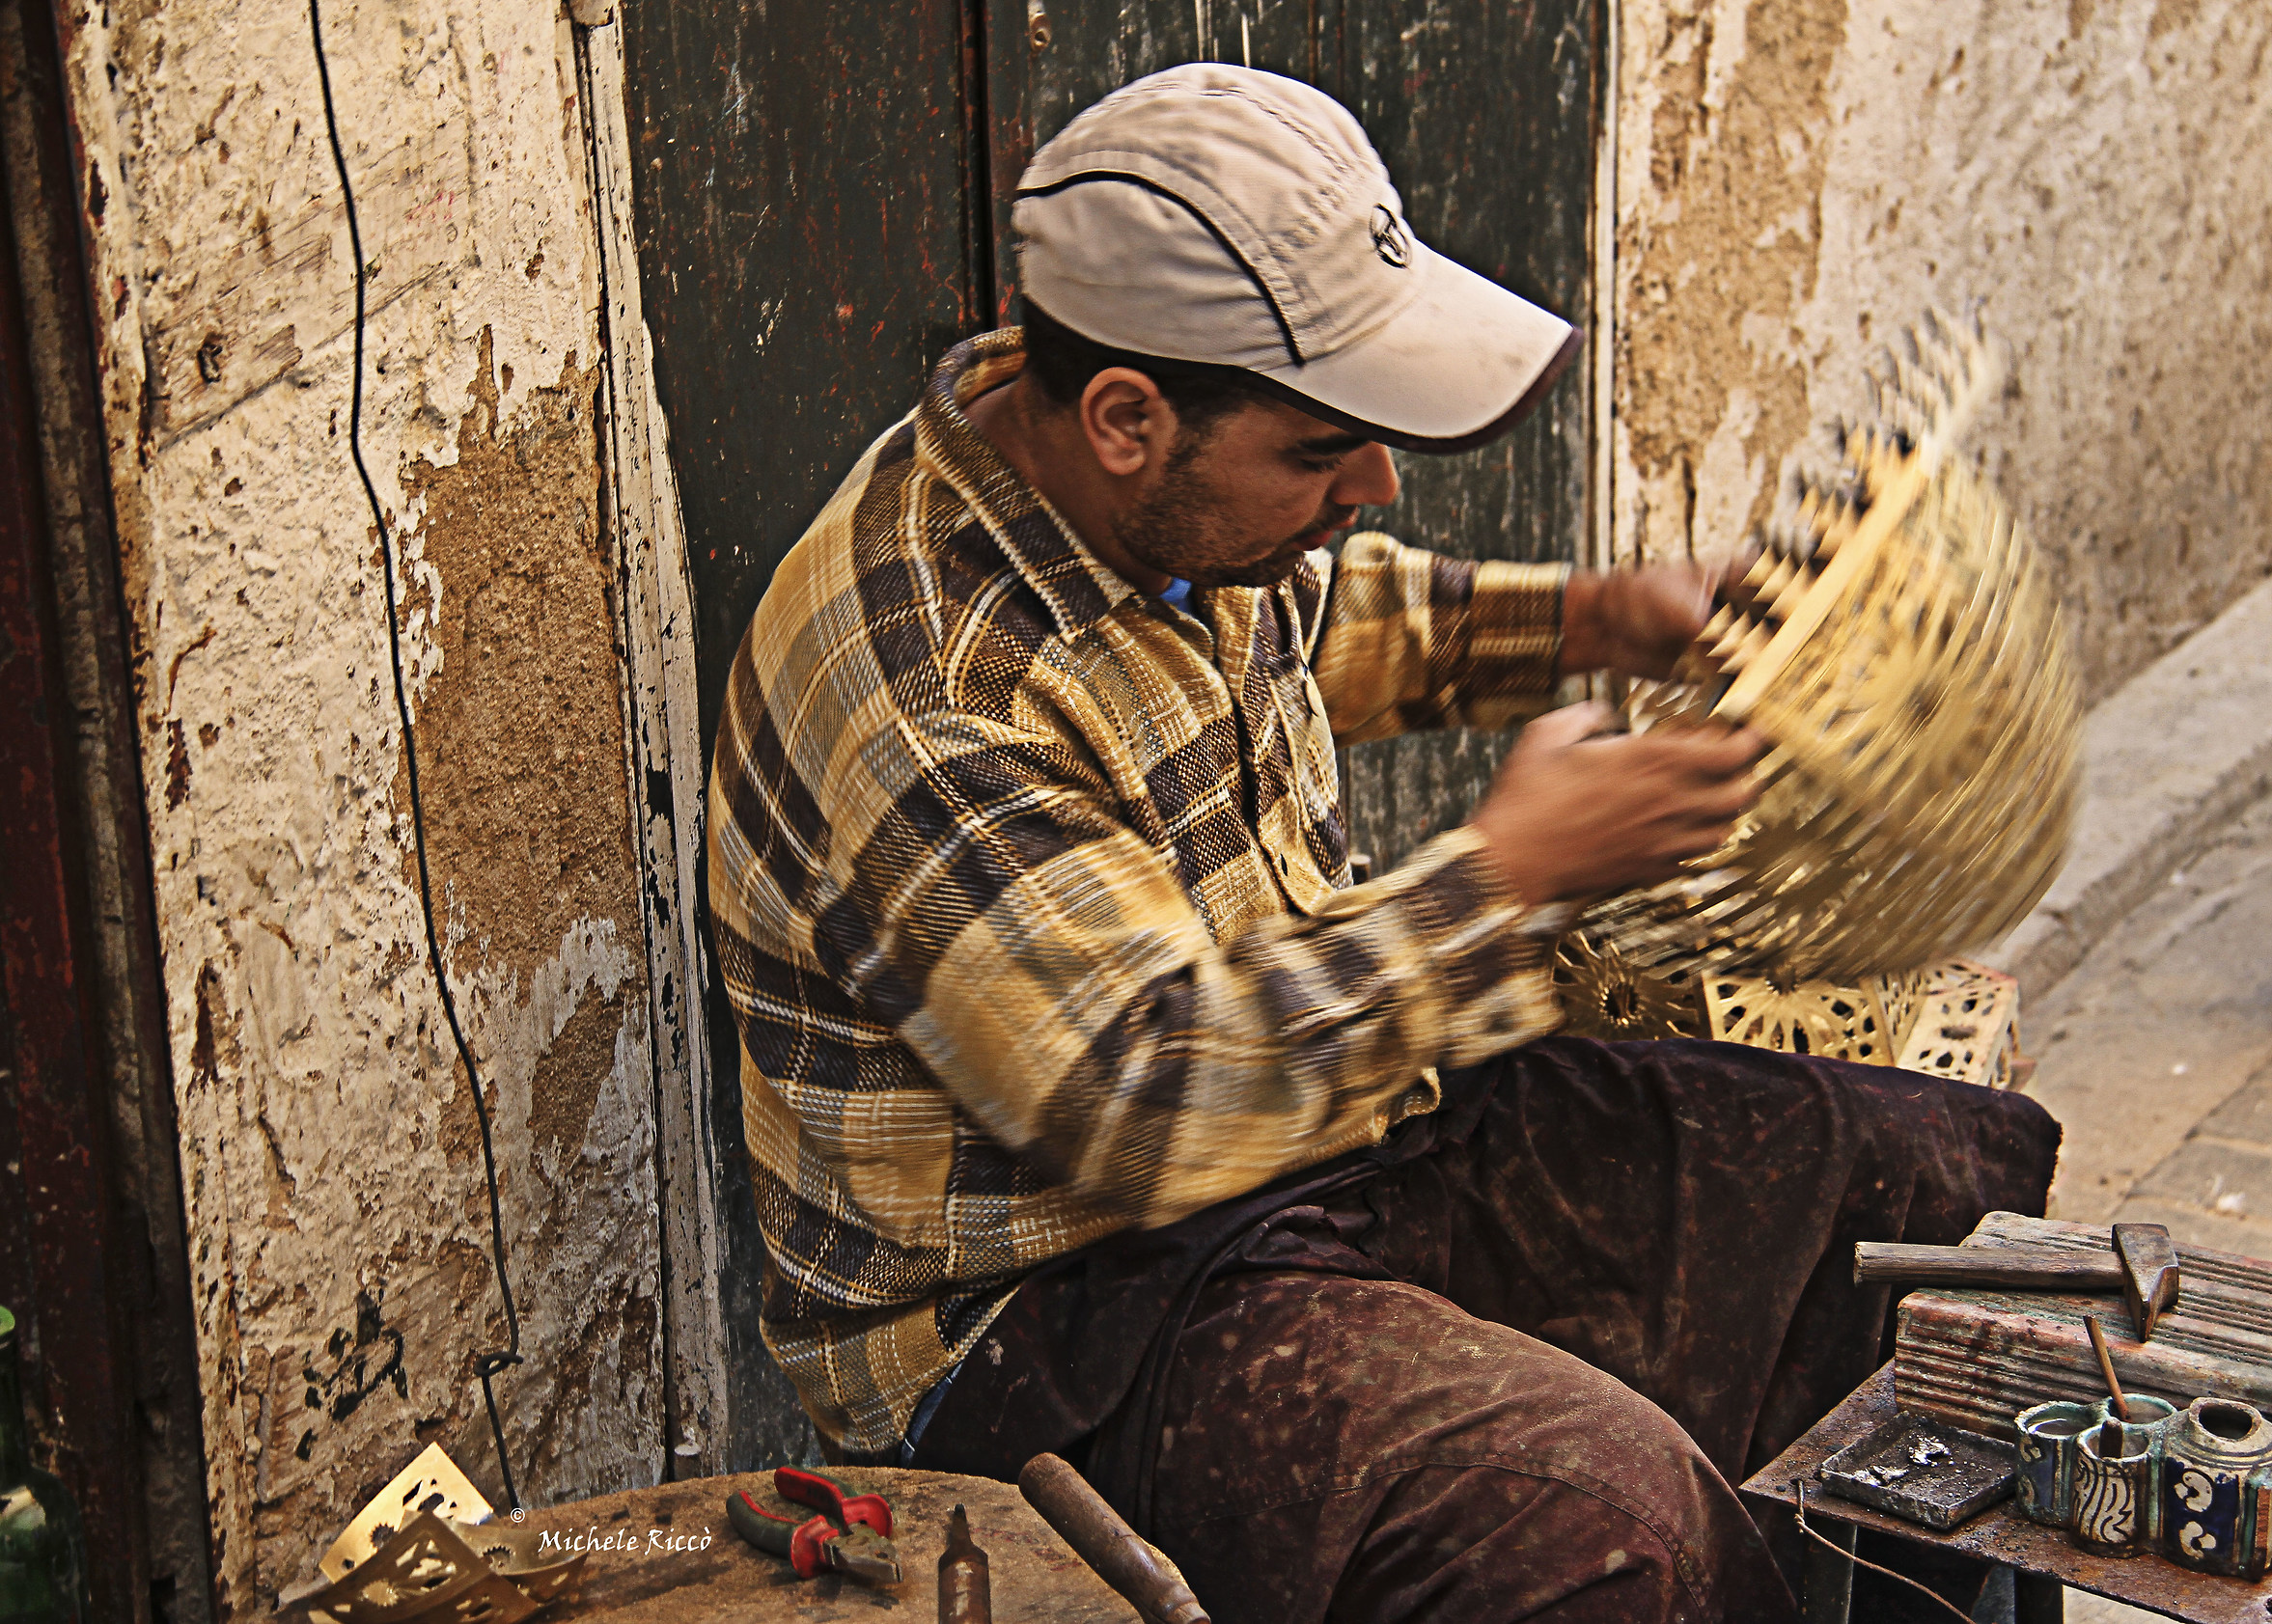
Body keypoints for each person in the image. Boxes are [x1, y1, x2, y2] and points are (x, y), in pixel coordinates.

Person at [707, 64, 2058, 1622]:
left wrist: (1602, 619)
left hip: (1311, 1133)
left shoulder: (1146, 495)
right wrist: (1514, 881)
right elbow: (1153, 1105)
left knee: (1922, 1204)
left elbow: (1324, 618)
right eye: (1323, 453)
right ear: (1131, 418)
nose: (1372, 488)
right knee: (1598, 1525)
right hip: (1044, 1326)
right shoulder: (933, 690)